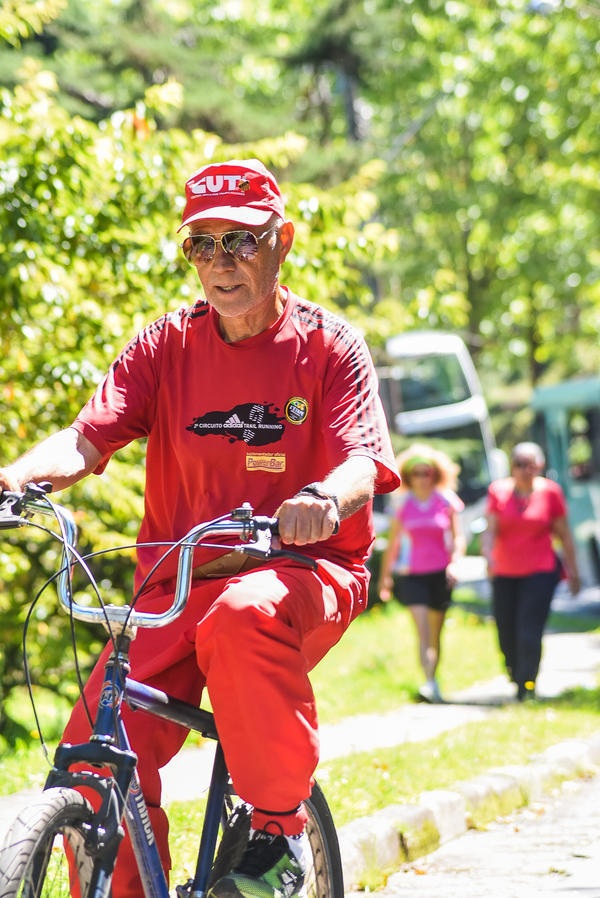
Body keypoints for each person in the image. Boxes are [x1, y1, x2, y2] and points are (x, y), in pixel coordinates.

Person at [0, 159, 400, 898]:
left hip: (302, 573)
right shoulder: (166, 345)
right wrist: (14, 479)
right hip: (177, 585)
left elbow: (364, 460)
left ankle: (278, 837)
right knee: (91, 752)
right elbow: (86, 439)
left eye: (241, 241)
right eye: (202, 244)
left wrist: (322, 497)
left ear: (282, 241)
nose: (221, 261)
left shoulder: (328, 345)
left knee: (243, 619)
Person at [482, 441, 580, 702]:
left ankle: (527, 684)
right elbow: (489, 531)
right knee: (506, 629)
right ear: (511, 466)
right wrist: (488, 557)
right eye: (520, 464)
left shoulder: (551, 493)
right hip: (504, 571)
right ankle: (515, 672)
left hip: (541, 571)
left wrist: (574, 572)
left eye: (531, 465)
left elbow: (564, 535)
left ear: (540, 466)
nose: (525, 470)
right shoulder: (498, 491)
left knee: (529, 629)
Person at [378, 443, 465, 703]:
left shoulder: (446, 500)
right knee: (423, 631)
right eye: (416, 473)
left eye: (426, 473)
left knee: (436, 634)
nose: (422, 478)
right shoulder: (401, 504)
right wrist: (385, 577)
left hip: (440, 574)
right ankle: (428, 682)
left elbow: (458, 538)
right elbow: (393, 543)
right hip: (412, 575)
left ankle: (434, 679)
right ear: (408, 476)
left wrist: (455, 563)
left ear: (435, 474)